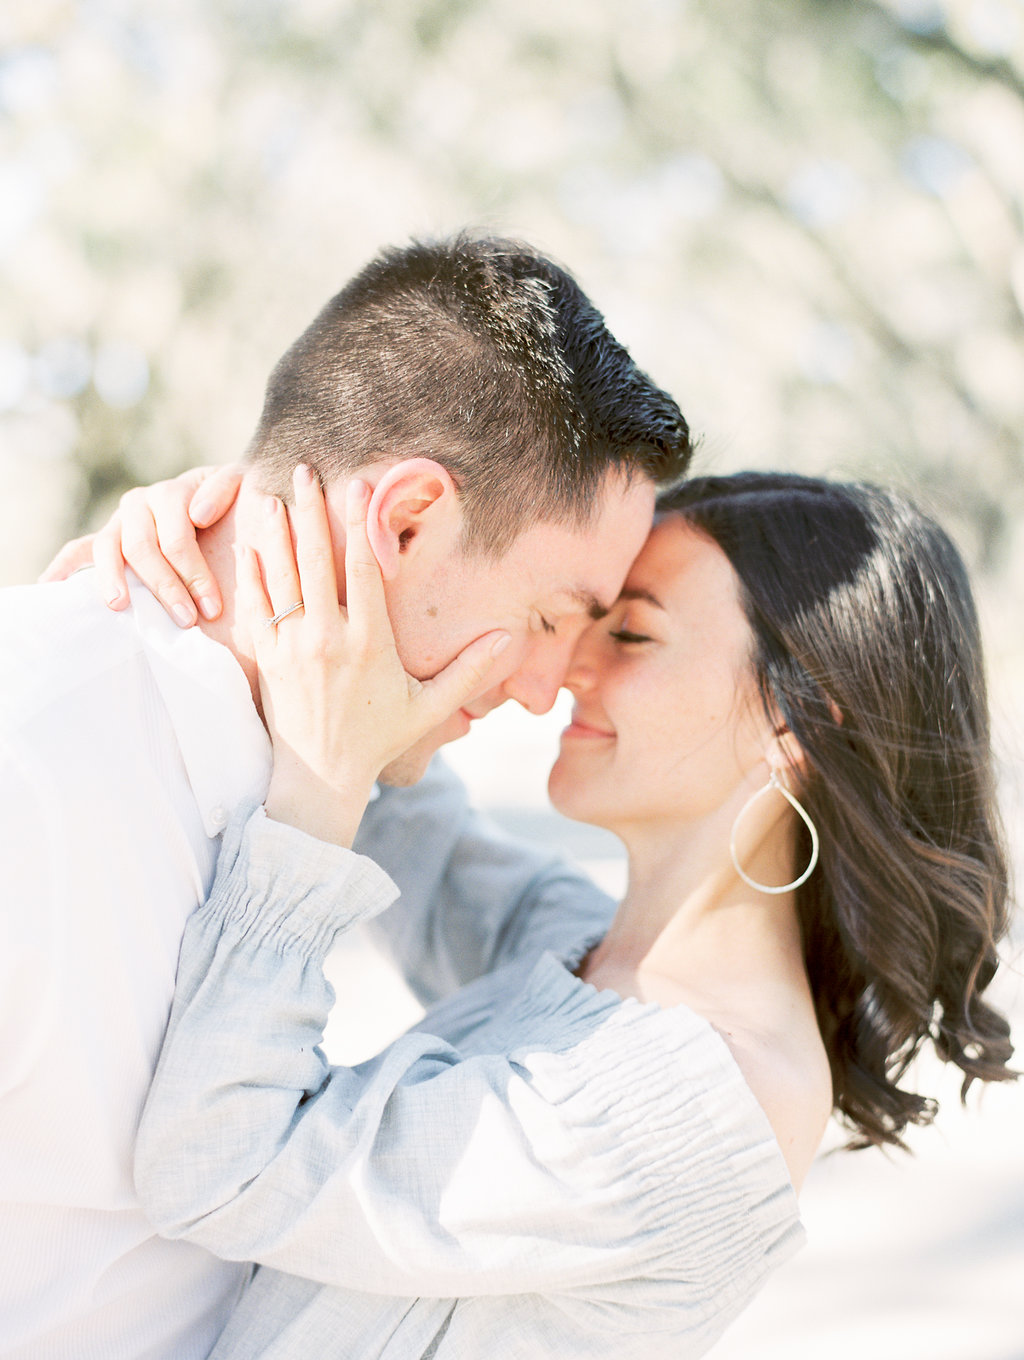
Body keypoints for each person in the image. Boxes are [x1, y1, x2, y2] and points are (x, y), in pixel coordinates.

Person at [125, 469, 1014, 1359]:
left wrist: (313, 787)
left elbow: (216, 1162)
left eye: (629, 632)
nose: (558, 673)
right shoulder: (583, 946)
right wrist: (220, 556)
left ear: (794, 718)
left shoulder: (705, 1106)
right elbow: (402, 813)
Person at [0, 234, 691, 1359]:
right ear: (406, 521)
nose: (536, 688)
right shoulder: (25, 753)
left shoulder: (339, 769)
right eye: (552, 617)